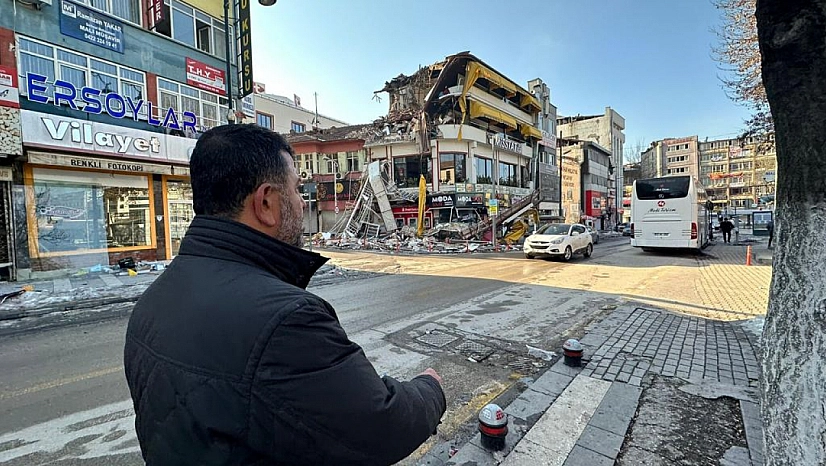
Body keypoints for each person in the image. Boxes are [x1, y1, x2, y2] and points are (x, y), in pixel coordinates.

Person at [124, 124, 446, 465]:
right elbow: (383, 427)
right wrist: (430, 388)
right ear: (266, 203)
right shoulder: (285, 320)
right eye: (295, 190)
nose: (300, 201)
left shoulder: (150, 303)